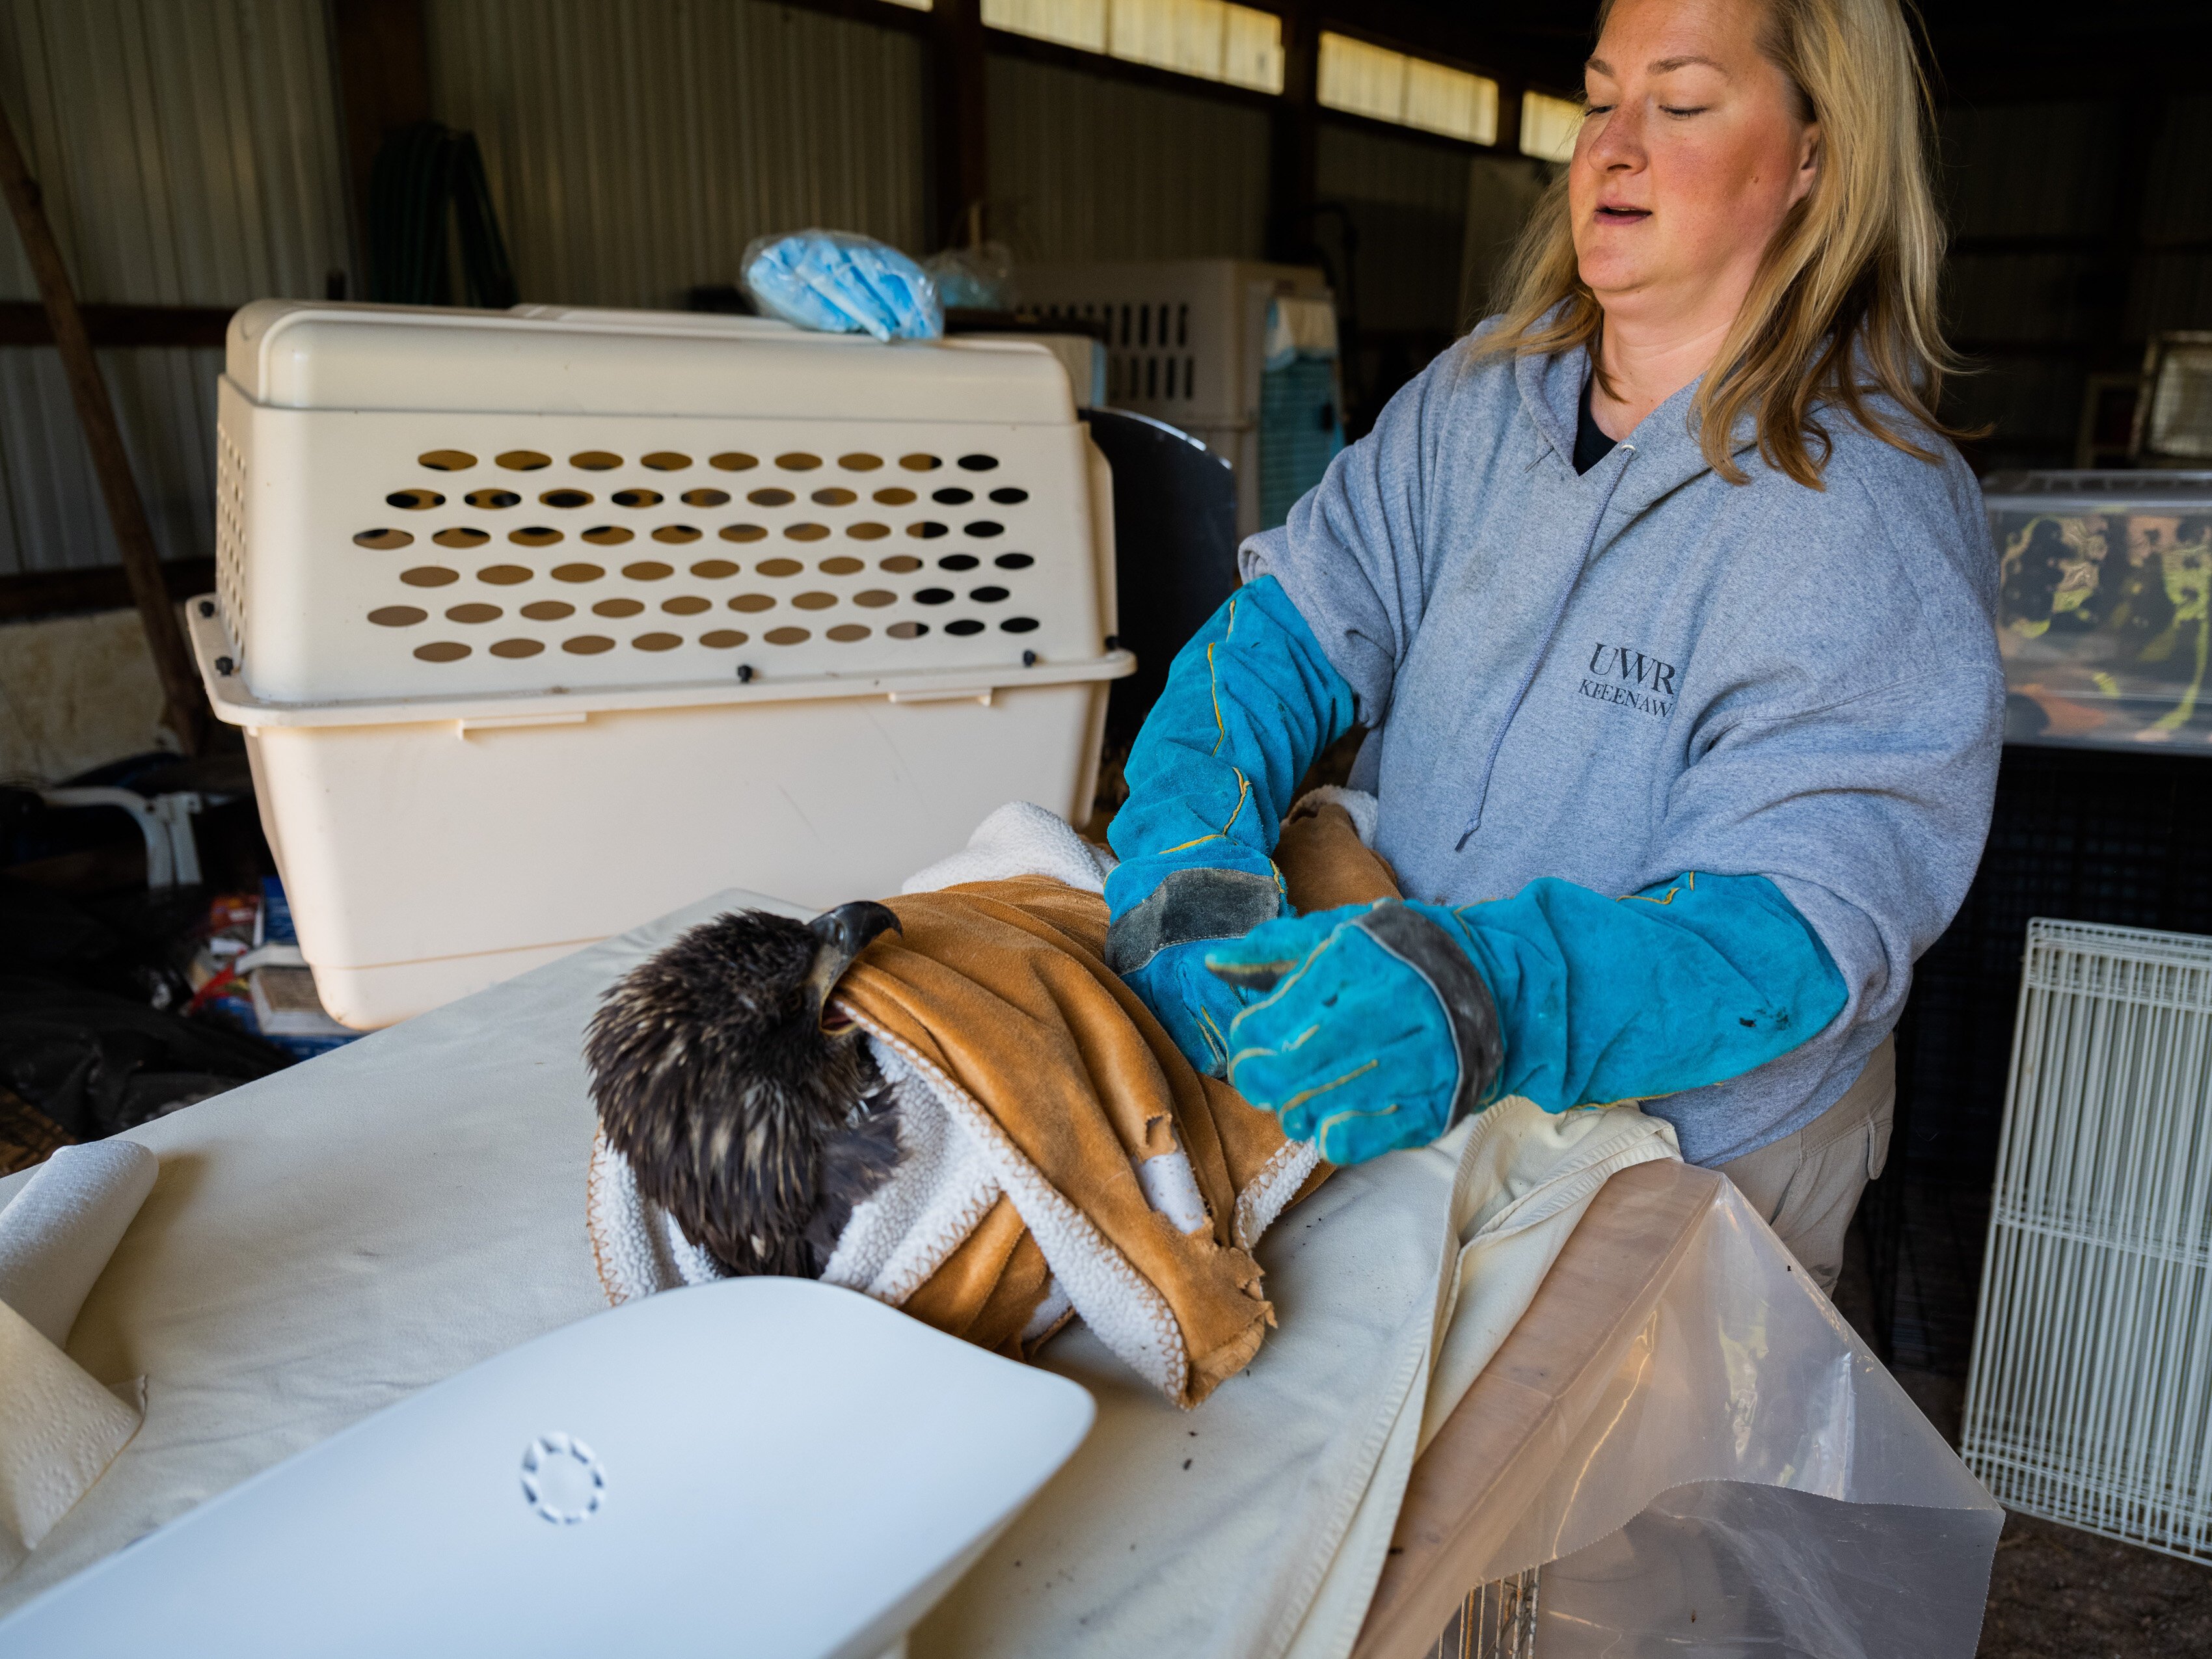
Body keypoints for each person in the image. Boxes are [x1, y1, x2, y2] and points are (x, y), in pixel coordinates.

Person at [1101, 0, 2003, 1292]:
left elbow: (1800, 923)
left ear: (1817, 156)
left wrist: (1488, 996)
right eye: (1598, 100)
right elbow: (1282, 638)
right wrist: (1185, 843)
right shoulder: (1474, 401)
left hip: (1690, 1156)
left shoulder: (1863, 518)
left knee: (1651, 1490)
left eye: (1680, 103)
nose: (1613, 150)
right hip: (1434, 1097)